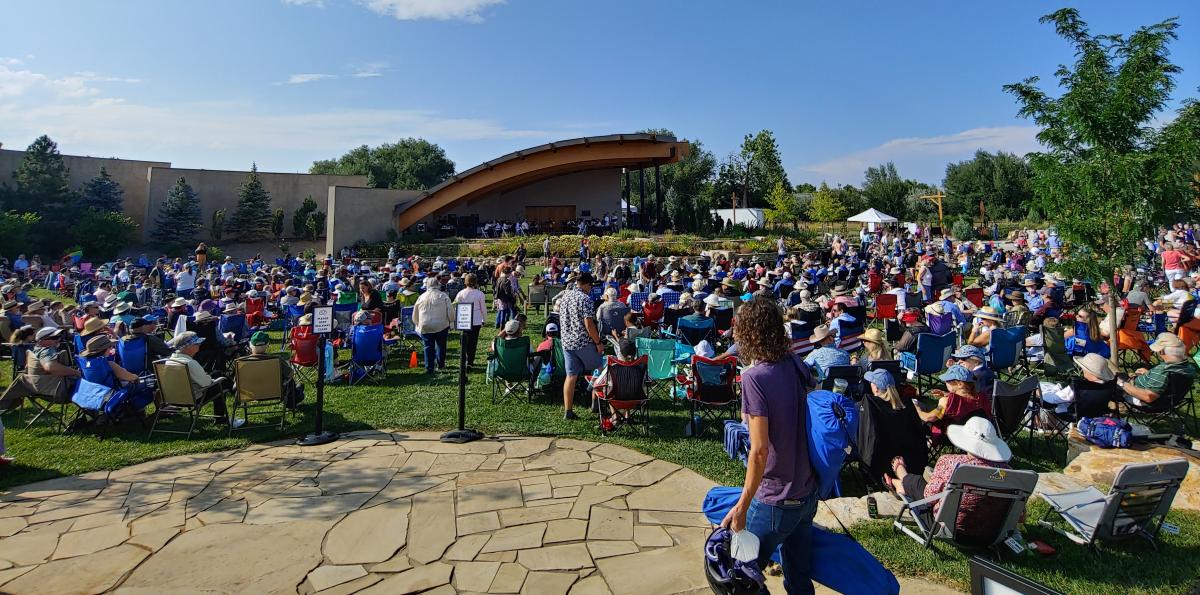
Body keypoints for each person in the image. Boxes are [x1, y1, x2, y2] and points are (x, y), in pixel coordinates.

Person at [721, 296, 817, 594]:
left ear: (749, 333)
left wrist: (743, 503)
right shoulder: (796, 364)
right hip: (806, 493)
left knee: (741, 577)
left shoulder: (755, 378)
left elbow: (760, 449)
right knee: (799, 579)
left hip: (776, 498)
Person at [886, 417, 1013, 547]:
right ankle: (902, 482)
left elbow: (928, 497)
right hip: (992, 535)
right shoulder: (1009, 474)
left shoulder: (951, 463)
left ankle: (902, 478)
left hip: (949, 530)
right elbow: (1020, 516)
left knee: (919, 483)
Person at [165, 331, 239, 427]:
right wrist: (213, 379)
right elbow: (206, 383)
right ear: (188, 347)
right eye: (196, 343)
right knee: (221, 381)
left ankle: (233, 394)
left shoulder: (168, 361)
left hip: (173, 398)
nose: (199, 345)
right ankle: (234, 397)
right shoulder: (189, 363)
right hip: (193, 398)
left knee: (217, 375)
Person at [556, 272, 603, 420]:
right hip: (583, 342)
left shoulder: (565, 297)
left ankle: (568, 411)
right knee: (601, 370)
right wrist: (598, 342)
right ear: (587, 285)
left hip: (567, 342)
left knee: (571, 376)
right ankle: (597, 403)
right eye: (590, 286)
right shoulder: (586, 299)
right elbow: (589, 324)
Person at [1119, 332, 1198, 406]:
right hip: (1172, 401)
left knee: (1111, 381)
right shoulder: (1187, 367)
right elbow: (1166, 381)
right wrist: (1150, 373)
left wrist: (1121, 383)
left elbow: (1148, 397)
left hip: (1145, 401)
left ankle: (1111, 414)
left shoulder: (1163, 371)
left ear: (1162, 351)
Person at [919, 365, 990, 443]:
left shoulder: (946, 401)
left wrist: (917, 410)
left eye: (947, 380)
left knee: (917, 413)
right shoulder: (981, 398)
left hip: (950, 437)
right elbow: (964, 400)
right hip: (974, 436)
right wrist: (948, 395)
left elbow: (929, 418)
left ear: (960, 384)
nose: (945, 382)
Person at [411, 277, 453, 374]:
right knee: (441, 345)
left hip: (425, 325)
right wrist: (451, 321)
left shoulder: (421, 297)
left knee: (428, 346)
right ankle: (440, 364)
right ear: (438, 285)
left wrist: (417, 323)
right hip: (441, 324)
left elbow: (415, 313)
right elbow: (450, 312)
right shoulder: (444, 296)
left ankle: (429, 367)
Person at [454, 273, 486, 368]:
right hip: (476, 320)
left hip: (464, 319)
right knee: (473, 341)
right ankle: (470, 361)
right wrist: (484, 319)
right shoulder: (480, 294)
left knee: (464, 340)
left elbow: (456, 306)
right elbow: (483, 309)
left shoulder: (461, 293)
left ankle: (465, 358)